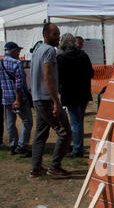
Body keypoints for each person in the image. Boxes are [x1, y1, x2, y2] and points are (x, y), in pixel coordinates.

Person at [30, 23, 72, 177]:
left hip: (37, 97)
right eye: (55, 35)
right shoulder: (49, 51)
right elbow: (48, 76)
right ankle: (54, 167)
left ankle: (35, 168)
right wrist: (56, 101)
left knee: (41, 133)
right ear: (46, 35)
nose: (58, 38)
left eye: (58, 34)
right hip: (47, 99)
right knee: (65, 132)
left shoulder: (37, 50)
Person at [57, 33, 94, 157]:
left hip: (69, 94)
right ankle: (79, 146)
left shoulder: (61, 58)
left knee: (75, 123)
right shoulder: (83, 55)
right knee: (79, 121)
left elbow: (59, 78)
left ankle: (77, 149)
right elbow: (91, 73)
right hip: (83, 92)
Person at [0, 42, 33, 156]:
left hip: (6, 97)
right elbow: (19, 83)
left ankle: (13, 145)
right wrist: (18, 99)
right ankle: (21, 145)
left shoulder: (1, 62)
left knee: (10, 123)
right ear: (13, 51)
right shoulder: (17, 63)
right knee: (27, 121)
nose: (19, 53)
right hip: (19, 98)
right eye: (18, 51)